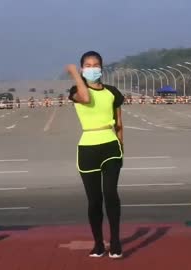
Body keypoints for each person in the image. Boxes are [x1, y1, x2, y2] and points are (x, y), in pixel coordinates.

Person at [66, 51, 125, 259]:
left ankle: (116, 242)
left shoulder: (112, 92)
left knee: (110, 194)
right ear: (83, 69)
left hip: (110, 146)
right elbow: (86, 97)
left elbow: (119, 123)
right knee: (94, 200)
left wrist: (121, 147)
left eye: (96, 64)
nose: (92, 68)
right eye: (88, 65)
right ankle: (99, 244)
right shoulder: (76, 90)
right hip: (88, 148)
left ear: (102, 67)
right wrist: (75, 75)